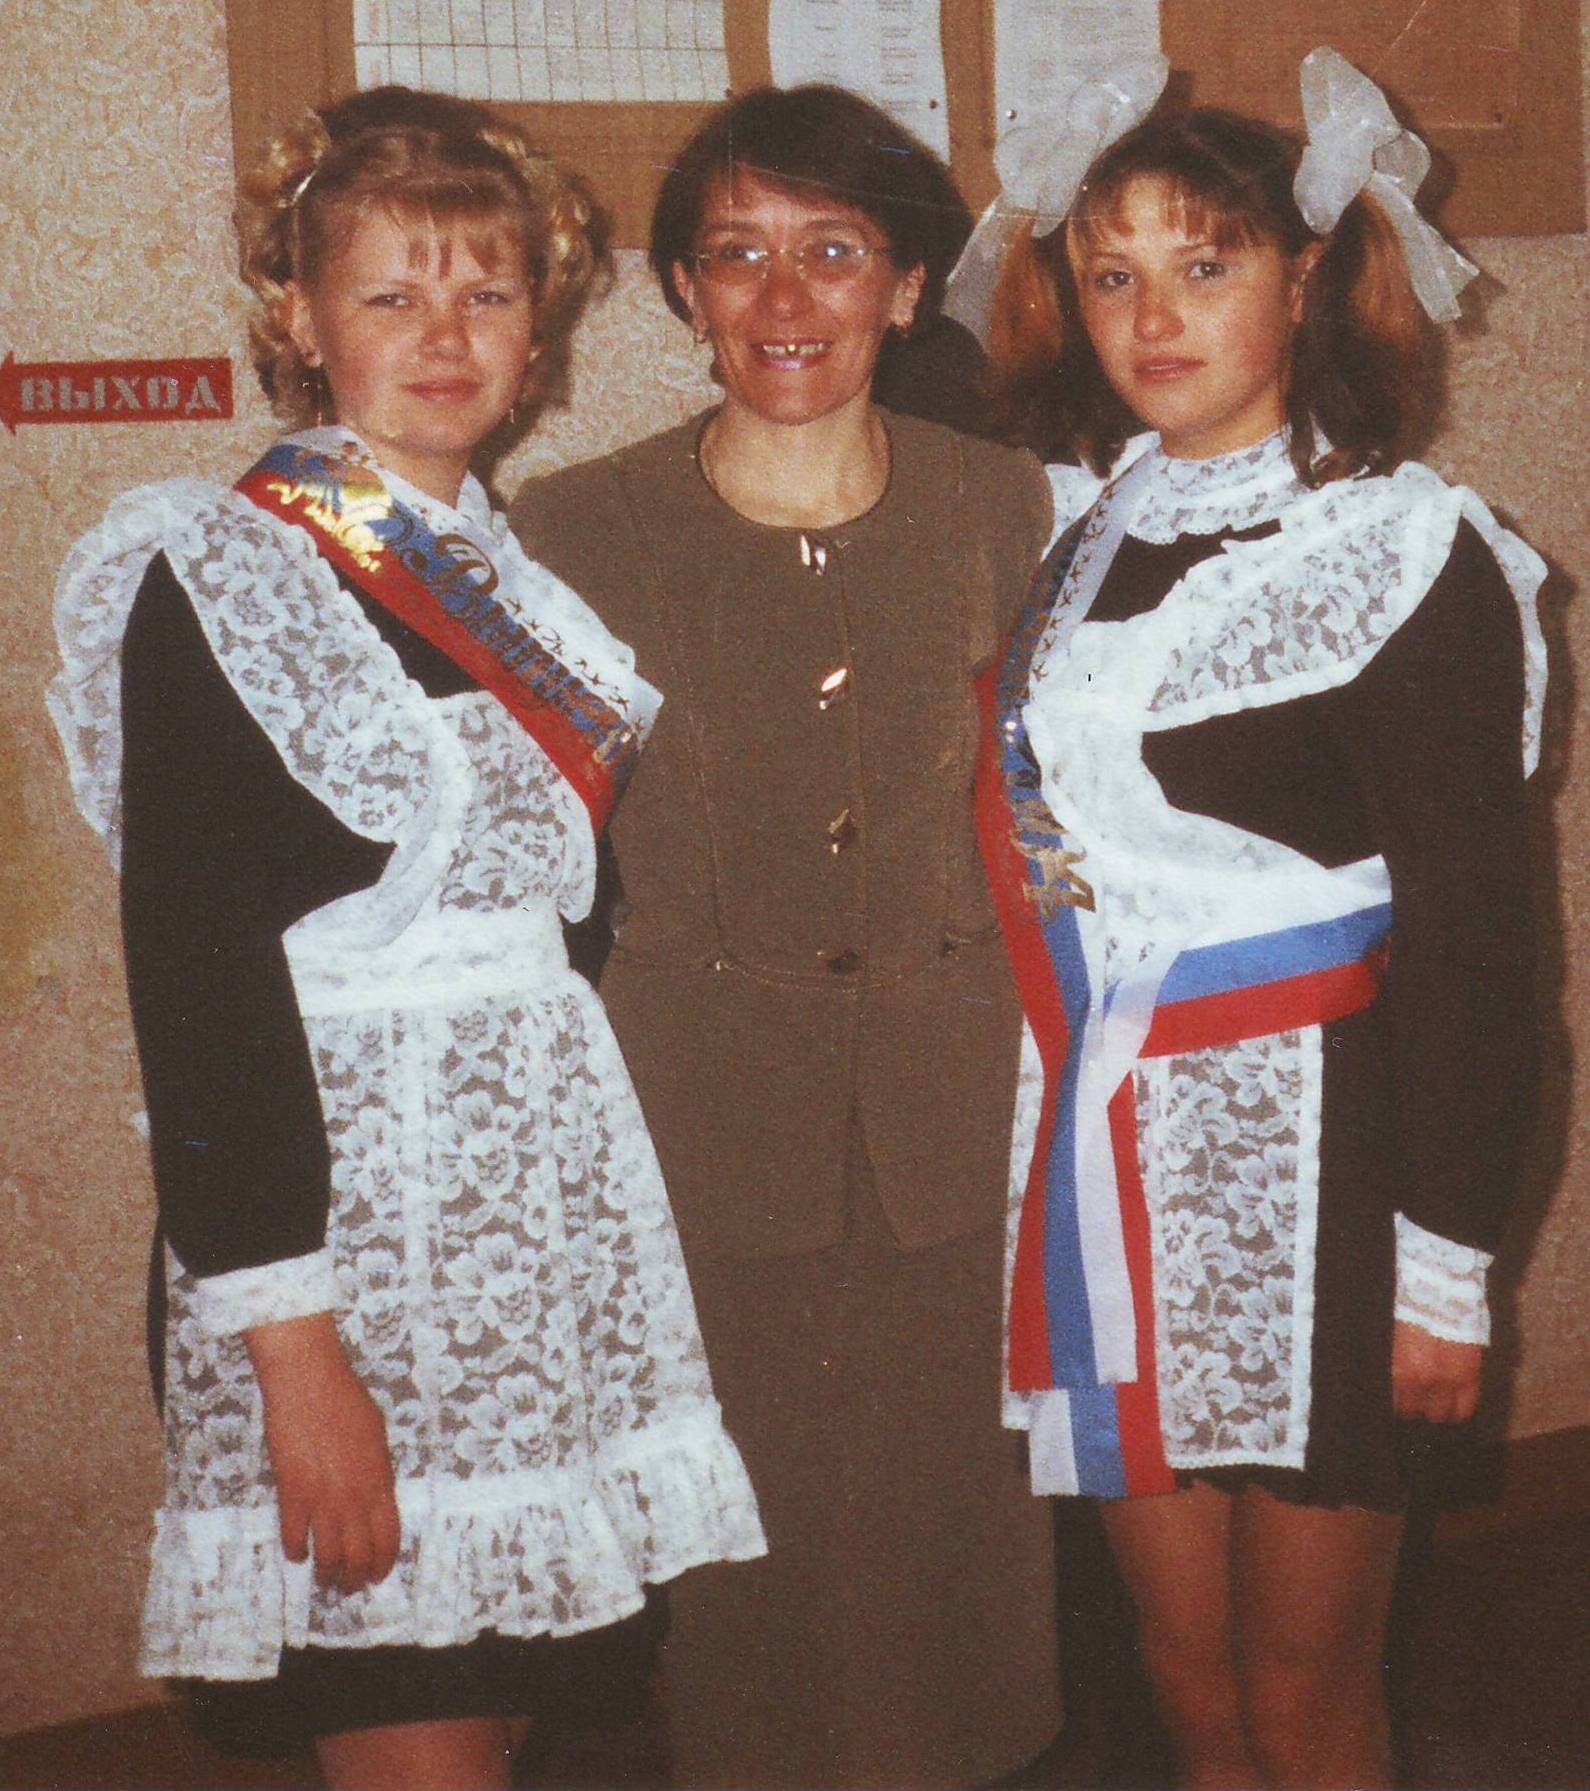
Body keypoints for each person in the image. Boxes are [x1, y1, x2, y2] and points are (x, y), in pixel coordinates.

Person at [47, 85, 763, 1791]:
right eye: (391, 293)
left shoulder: (500, 570)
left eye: (486, 292)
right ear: (300, 320)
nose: (445, 337)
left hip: (524, 1237)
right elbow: (200, 991)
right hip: (345, 1251)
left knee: (496, 1711)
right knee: (412, 1725)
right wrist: (300, 1364)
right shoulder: (219, 571)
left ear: (538, 323)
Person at [975, 50, 1547, 1790]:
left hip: (1331, 1176)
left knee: (1306, 1690)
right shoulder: (1083, 528)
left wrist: (1444, 1279)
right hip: (1110, 1159)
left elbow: (1479, 959)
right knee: (1182, 1671)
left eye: (1202, 265)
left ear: (1303, 280)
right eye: (1110, 273)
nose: (1151, 317)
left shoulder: (1408, 553)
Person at [512, 83, 1062, 1791]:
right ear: (681, 289)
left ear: (907, 286)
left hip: (956, 1114)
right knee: (742, 1577)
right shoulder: (568, 532)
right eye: (734, 254)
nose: (781, 297)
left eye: (831, 252)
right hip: (698, 1123)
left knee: (955, 1567)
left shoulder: (1009, 509)